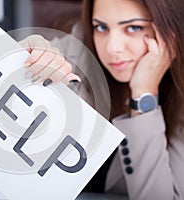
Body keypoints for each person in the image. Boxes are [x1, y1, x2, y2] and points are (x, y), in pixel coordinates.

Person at [19, 0, 184, 199]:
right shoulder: (80, 47)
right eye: (101, 27)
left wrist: (144, 94)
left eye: (134, 27)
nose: (112, 47)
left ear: (172, 28)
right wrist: (23, 62)